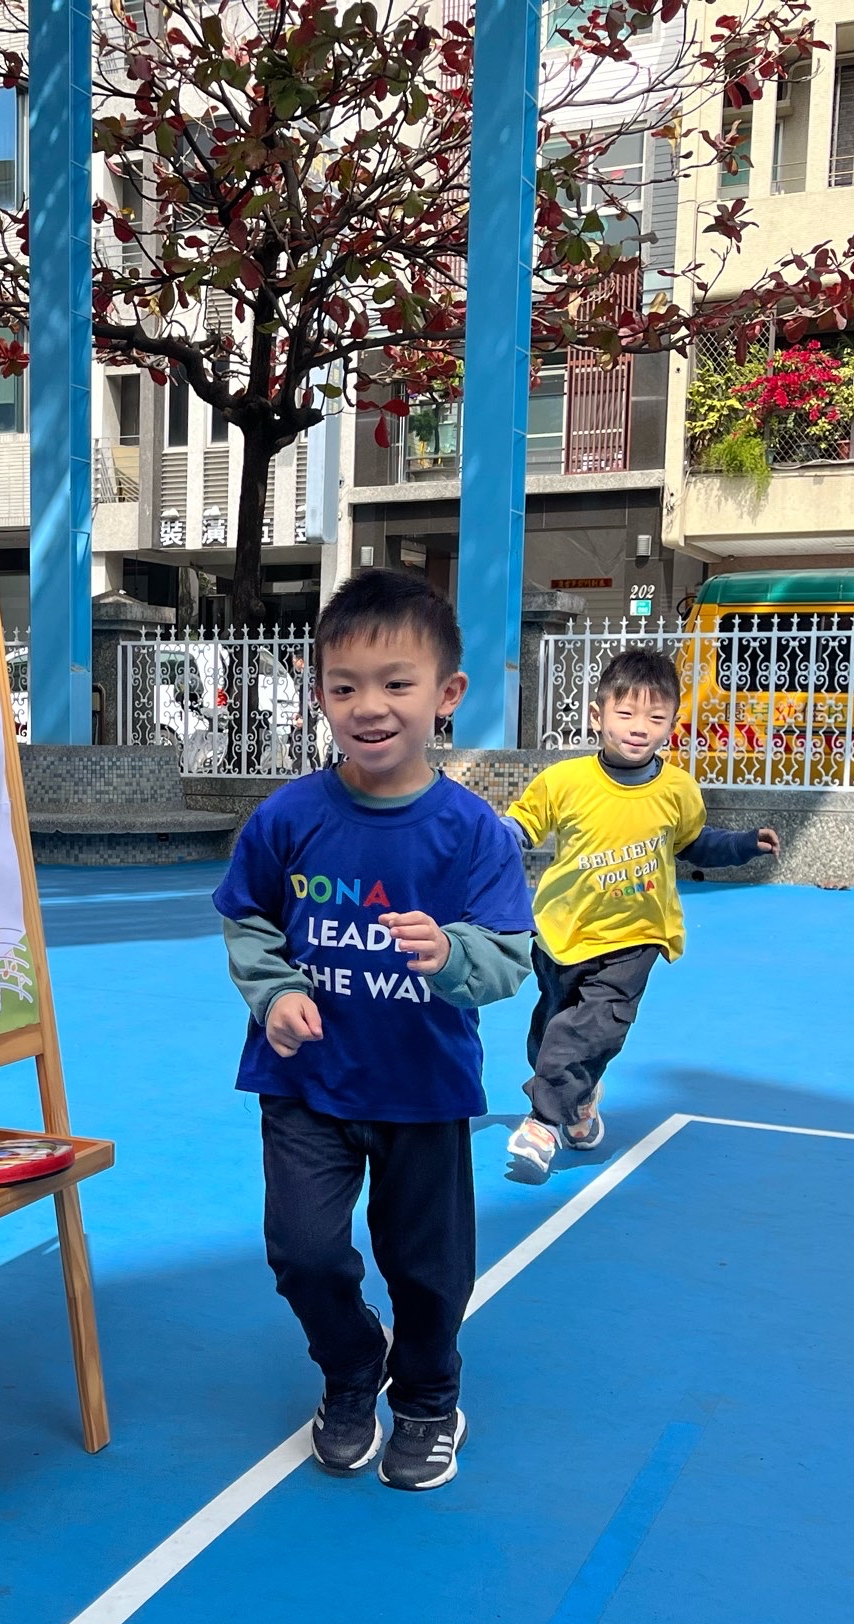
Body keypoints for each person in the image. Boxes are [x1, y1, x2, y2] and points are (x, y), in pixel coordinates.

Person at [212, 569, 535, 1490]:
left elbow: (509, 955)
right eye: (345, 685)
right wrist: (274, 994)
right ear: (319, 692)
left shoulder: (473, 832)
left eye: (397, 683)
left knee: (429, 1267)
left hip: (422, 1087)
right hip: (305, 1081)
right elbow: (248, 919)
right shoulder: (287, 817)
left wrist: (454, 952)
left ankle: (429, 1397)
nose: (370, 706)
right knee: (303, 1251)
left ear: (447, 693)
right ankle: (354, 1365)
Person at [500, 647, 780, 1183]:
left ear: (671, 725)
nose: (638, 728)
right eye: (626, 713)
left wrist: (743, 844)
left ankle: (543, 1123)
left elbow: (694, 842)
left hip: (636, 937)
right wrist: (480, 840)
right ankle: (578, 1099)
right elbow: (519, 829)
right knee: (551, 1030)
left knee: (591, 1030)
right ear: (597, 714)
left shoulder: (677, 789)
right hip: (562, 933)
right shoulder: (564, 781)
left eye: (655, 717)